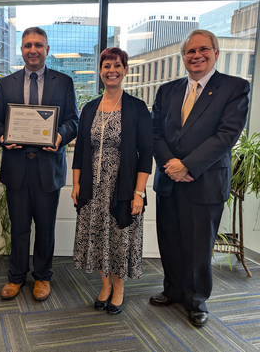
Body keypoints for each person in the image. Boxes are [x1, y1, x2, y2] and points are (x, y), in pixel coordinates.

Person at [150, 29, 250, 327]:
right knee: (169, 239)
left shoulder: (235, 88)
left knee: (198, 244)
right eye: (190, 52)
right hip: (169, 179)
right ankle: (173, 290)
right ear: (183, 57)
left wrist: (189, 166)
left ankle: (196, 300)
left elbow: (226, 136)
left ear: (215, 53)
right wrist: (170, 163)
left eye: (203, 50)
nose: (196, 56)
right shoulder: (167, 90)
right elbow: (155, 132)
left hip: (204, 181)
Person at [0, 27, 79, 301]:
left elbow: (73, 121)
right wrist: (2, 136)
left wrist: (60, 135)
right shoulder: (5, 84)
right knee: (18, 226)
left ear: (47, 50)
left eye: (39, 45)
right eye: (28, 45)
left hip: (47, 168)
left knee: (45, 227)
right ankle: (16, 277)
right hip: (17, 167)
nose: (33, 49)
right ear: (21, 49)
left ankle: (42, 276)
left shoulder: (64, 82)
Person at [71, 47, 153, 315]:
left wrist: (139, 193)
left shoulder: (137, 108)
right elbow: (81, 149)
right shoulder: (90, 108)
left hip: (123, 187)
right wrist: (76, 184)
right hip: (93, 187)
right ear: (100, 71)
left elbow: (146, 153)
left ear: (125, 70)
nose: (111, 70)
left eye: (117, 65)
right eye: (106, 66)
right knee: (95, 236)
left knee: (119, 237)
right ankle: (104, 285)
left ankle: (119, 288)